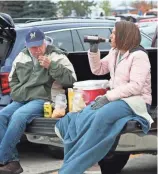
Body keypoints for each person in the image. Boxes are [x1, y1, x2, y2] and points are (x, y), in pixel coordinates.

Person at [54, 21, 153, 174]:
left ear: (123, 35)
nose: (110, 36)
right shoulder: (116, 52)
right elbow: (98, 69)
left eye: (113, 33)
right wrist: (94, 50)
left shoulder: (139, 56)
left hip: (135, 100)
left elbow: (136, 86)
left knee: (100, 116)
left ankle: (74, 167)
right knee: (83, 114)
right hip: (117, 98)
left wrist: (108, 97)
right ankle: (71, 162)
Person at [0, 27, 77, 174]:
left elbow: (71, 80)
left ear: (44, 42)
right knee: (1, 116)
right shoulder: (22, 56)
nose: (36, 50)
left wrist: (51, 66)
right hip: (22, 98)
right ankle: (13, 162)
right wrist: (18, 93)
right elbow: (12, 80)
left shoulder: (56, 55)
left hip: (44, 99)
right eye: (32, 47)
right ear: (27, 45)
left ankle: (2, 158)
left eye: (38, 46)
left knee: (19, 116)